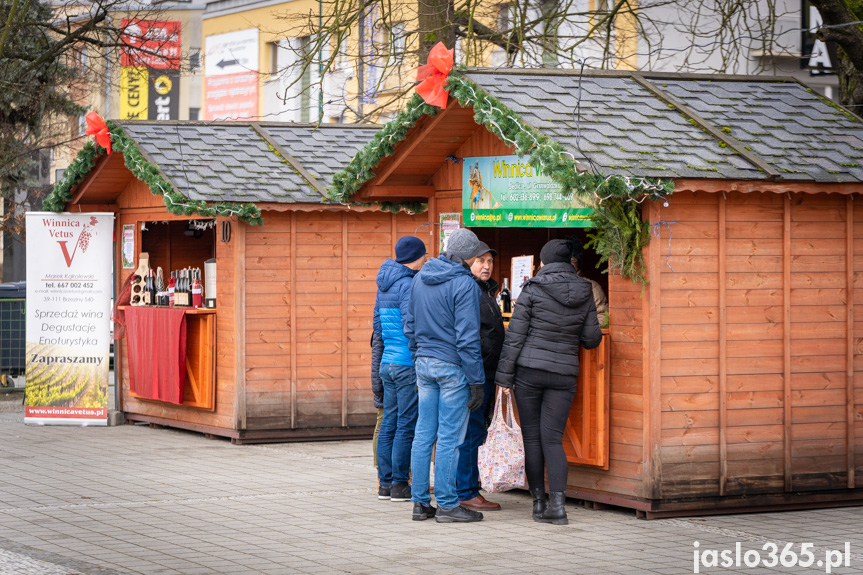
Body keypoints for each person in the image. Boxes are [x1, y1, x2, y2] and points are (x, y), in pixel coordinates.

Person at [494, 239, 603, 525]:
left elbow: (515, 337)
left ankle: (538, 504)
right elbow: (592, 339)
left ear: (543, 262)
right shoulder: (586, 290)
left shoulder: (533, 289)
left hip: (529, 371)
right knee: (553, 439)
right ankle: (559, 508)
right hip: (564, 373)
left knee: (532, 437)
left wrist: (504, 378)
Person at [404, 228, 486, 523]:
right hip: (452, 367)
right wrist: (477, 381)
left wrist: (417, 358)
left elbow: (409, 325)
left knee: (424, 435)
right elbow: (467, 339)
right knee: (450, 438)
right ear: (470, 256)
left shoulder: (419, 279)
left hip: (424, 364)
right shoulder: (465, 285)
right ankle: (449, 505)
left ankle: (420, 504)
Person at [372, 236, 428, 502]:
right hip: (406, 364)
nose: (425, 260)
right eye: (424, 256)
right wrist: (419, 357)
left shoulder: (384, 285)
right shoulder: (408, 284)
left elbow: (378, 331)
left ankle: (384, 484)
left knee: (389, 424)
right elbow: (411, 325)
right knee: (406, 425)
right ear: (415, 258)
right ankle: (399, 485)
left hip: (388, 364)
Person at [456, 241, 504, 511]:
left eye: (489, 261)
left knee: (470, 431)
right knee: (470, 432)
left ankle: (462, 486)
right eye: (480, 261)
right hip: (474, 373)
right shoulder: (470, 290)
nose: (486, 266)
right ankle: (466, 490)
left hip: (484, 370)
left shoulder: (485, 290)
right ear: (468, 263)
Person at [568, 237, 608, 327]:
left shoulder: (592, 287)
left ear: (579, 263)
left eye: (573, 260)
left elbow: (603, 316)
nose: (569, 263)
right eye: (566, 260)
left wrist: (583, 330)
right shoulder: (548, 284)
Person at [370, 331, 384, 469]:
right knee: (382, 423)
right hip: (384, 385)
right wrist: (377, 388)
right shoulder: (379, 328)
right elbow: (376, 358)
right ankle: (380, 470)